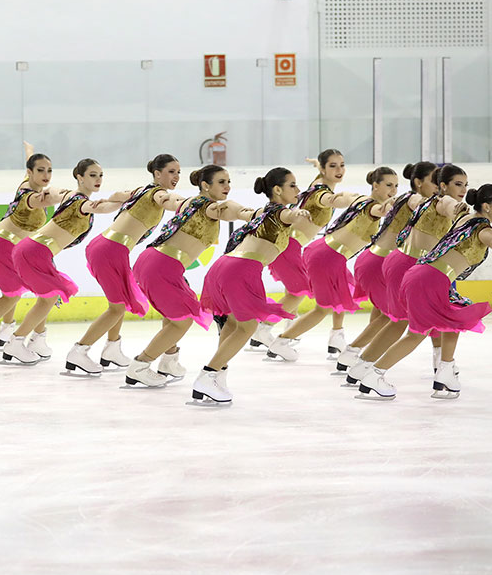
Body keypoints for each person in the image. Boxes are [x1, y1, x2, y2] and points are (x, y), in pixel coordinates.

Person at [356, 184, 492, 399]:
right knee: (416, 334)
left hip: (425, 275)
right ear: (486, 206)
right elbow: (491, 240)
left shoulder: (464, 219)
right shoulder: (483, 228)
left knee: (455, 316)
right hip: (429, 280)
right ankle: (374, 375)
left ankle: (445, 373)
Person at [190, 167, 312, 404]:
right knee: (247, 328)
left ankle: (218, 375)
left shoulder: (264, 212)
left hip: (225, 266)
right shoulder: (279, 211)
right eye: (292, 186)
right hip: (241, 271)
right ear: (277, 190)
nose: (298, 190)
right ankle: (207, 376)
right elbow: (286, 216)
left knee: (234, 324)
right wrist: (297, 214)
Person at [125, 164, 255, 386]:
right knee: (181, 321)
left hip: (158, 262)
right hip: (161, 265)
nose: (227, 186)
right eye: (221, 182)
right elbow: (226, 209)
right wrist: (249, 214)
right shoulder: (207, 206)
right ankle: (139, 365)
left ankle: (169, 360)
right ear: (205, 185)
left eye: (229, 181)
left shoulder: (196, 203)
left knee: (173, 315)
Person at [345, 164, 470, 387]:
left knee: (399, 321)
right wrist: (458, 208)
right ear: (441, 185)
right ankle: (378, 373)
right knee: (422, 325)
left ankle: (361, 367)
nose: (463, 189)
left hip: (398, 262)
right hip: (409, 266)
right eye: (458, 184)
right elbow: (449, 205)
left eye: (465, 185)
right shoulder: (436, 201)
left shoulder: (427, 202)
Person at [65, 154, 186, 374]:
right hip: (110, 250)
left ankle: (112, 348)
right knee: (117, 307)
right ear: (157, 174)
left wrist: (112, 200)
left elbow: (119, 194)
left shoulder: (141, 190)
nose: (176, 176)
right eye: (171, 171)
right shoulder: (158, 193)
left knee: (121, 300)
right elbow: (167, 200)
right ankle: (79, 351)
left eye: (178, 172)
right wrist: (184, 203)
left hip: (110, 249)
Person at [0, 159, 127, 365]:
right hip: (34, 251)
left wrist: (49, 191)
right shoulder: (81, 202)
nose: (98, 179)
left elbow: (55, 191)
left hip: (34, 250)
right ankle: (16, 342)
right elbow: (103, 209)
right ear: (80, 177)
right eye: (92, 175)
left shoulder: (69, 195)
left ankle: (34, 341)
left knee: (47, 297)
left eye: (100, 175)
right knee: (48, 298)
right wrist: (126, 197)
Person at [267, 166, 399, 362]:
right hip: (327, 257)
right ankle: (281, 341)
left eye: (396, 186)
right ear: (375, 185)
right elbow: (379, 209)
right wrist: (395, 206)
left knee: (344, 292)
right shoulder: (369, 205)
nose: (393, 190)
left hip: (330, 256)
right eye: (389, 185)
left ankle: (338, 337)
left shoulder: (366, 203)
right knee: (323, 308)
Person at [254, 150, 363, 357]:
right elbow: (332, 200)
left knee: (313, 286)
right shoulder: (322, 193)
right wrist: (352, 199)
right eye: (333, 166)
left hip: (292, 245)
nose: (339, 170)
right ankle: (264, 329)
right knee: (299, 291)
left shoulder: (318, 182)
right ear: (323, 169)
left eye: (342, 165)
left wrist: (317, 164)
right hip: (287, 245)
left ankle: (320, 333)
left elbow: (323, 183)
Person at [335, 161, 439, 374]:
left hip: (378, 261)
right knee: (394, 317)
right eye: (434, 181)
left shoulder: (415, 201)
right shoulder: (414, 199)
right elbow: (417, 203)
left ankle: (360, 358)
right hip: (378, 262)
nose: (438, 186)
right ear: (418, 183)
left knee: (384, 315)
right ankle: (354, 357)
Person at [0, 153, 68, 354]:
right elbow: (44, 199)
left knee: (38, 289)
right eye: (40, 170)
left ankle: (11, 331)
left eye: (49, 170)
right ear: (29, 172)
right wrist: (69, 195)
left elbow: (35, 169)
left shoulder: (29, 183)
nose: (46, 174)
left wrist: (30, 151)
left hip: (8, 245)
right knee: (15, 295)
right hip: (0, 246)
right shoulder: (29, 196)